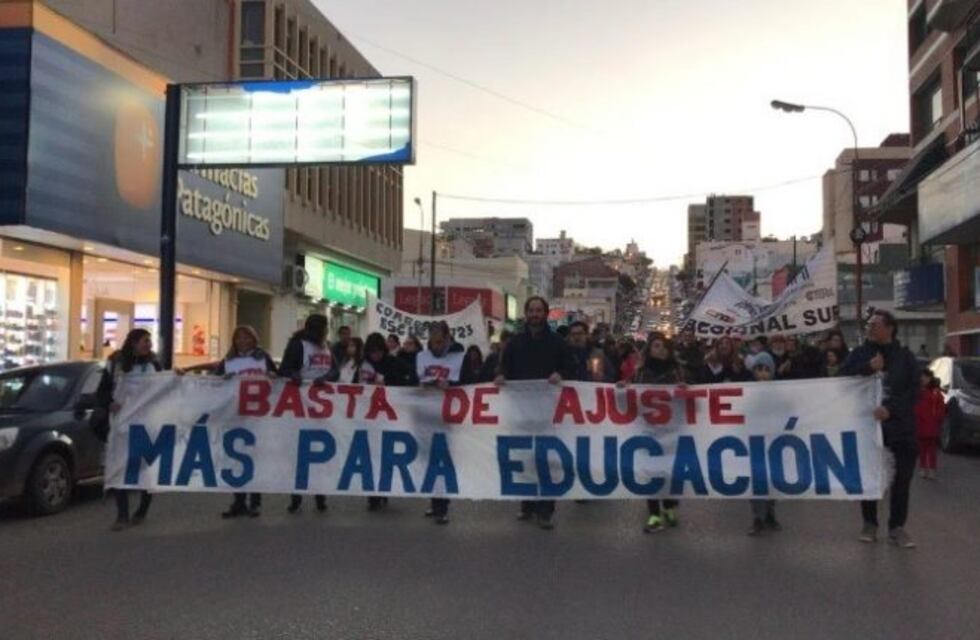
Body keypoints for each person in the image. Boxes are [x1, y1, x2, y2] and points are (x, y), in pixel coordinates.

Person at [841, 310, 920, 549]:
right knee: (870, 475)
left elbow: (914, 391)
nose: (869, 328)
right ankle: (869, 523)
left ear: (889, 328)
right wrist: (867, 367)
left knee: (901, 480)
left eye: (874, 324)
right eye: (868, 325)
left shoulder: (905, 357)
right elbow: (841, 378)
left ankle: (897, 527)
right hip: (869, 428)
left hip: (901, 428)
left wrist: (891, 409)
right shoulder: (860, 353)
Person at [495, 296, 571, 530]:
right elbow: (503, 366)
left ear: (546, 314)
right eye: (531, 310)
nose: (535, 314)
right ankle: (527, 504)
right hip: (521, 412)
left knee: (545, 460)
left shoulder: (558, 342)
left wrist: (561, 374)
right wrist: (500, 375)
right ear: (526, 313)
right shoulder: (515, 343)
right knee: (525, 458)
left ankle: (546, 510)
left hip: (549, 414)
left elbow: (571, 367)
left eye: (539, 310)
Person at [95, 328, 161, 532]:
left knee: (146, 469)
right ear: (133, 342)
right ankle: (122, 515)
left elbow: (165, 388)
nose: (148, 344)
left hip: (147, 425)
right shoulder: (116, 363)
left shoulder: (154, 364)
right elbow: (102, 390)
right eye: (144, 340)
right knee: (120, 467)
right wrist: (109, 403)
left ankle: (142, 510)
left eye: (150, 341)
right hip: (122, 425)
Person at [215, 326, 278, 519]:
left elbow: (277, 377)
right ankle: (239, 501)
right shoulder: (228, 360)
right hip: (235, 415)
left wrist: (272, 376)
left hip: (257, 416)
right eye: (239, 338)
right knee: (236, 458)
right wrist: (222, 379)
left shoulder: (262, 358)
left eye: (247, 338)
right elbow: (213, 382)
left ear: (254, 339)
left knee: (255, 458)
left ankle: (255, 502)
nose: (243, 341)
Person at [281, 314, 333, 514]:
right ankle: (296, 496)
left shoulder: (326, 346)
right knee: (299, 454)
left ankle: (320, 495)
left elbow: (335, 370)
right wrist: (293, 375)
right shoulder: (297, 345)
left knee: (320, 453)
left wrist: (326, 377)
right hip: (299, 408)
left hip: (321, 409)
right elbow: (284, 369)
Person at [361, 332, 418, 510]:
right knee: (372, 454)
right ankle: (373, 495)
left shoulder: (393, 362)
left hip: (389, 416)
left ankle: (384, 489)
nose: (375, 355)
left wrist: (387, 381)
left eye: (378, 351)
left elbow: (411, 376)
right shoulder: (363, 365)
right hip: (369, 416)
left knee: (386, 455)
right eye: (372, 352)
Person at [633, 333, 683, 533]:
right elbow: (632, 397)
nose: (660, 349)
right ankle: (654, 514)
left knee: (668, 471)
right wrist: (623, 388)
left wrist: (685, 390)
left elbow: (689, 401)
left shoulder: (676, 371)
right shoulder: (641, 373)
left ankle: (669, 506)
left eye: (663, 346)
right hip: (649, 429)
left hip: (671, 430)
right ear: (649, 350)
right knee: (651, 471)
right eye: (656, 346)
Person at [416, 322, 464, 524]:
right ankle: (435, 501)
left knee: (442, 461)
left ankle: (442, 506)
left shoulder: (458, 358)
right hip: (426, 418)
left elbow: (469, 382)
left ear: (447, 339)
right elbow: (415, 379)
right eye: (433, 341)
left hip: (447, 419)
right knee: (429, 462)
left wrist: (451, 384)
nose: (436, 346)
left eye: (440, 342)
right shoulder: (421, 357)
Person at [744, 351, 782, 536]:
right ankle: (757, 517)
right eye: (759, 369)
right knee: (756, 481)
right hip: (753, 443)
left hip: (773, 442)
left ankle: (769, 513)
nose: (763, 374)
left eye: (767, 370)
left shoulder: (779, 393)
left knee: (772, 481)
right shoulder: (747, 391)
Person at [915, 371, 945, 480]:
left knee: (931, 449)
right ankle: (923, 468)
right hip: (920, 424)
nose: (924, 379)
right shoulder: (918, 391)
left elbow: (941, 408)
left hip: (931, 424)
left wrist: (938, 419)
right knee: (922, 449)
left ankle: (931, 469)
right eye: (922, 377)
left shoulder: (935, 392)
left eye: (926, 377)